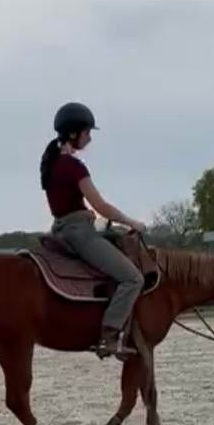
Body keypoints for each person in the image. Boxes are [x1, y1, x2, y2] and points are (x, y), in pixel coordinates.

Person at [40, 102, 146, 359]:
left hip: (60, 229)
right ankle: (109, 336)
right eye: (87, 132)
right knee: (133, 279)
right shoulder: (73, 166)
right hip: (79, 233)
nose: (89, 137)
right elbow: (101, 206)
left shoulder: (51, 164)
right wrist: (132, 223)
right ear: (73, 133)